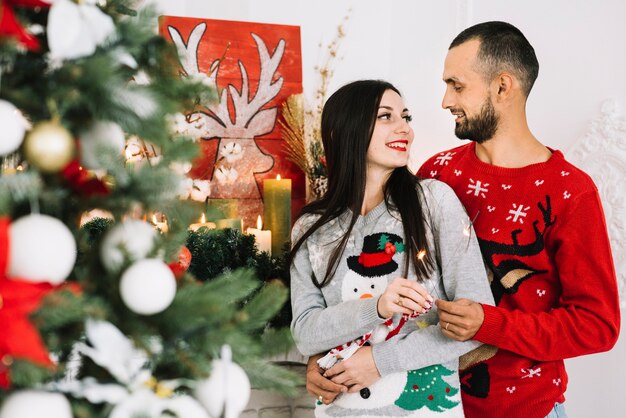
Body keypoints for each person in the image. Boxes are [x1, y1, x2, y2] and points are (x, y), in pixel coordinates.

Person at [416, 21, 620, 418]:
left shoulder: (570, 192)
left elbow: (598, 325)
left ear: (502, 86)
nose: (444, 101)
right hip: (428, 405)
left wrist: (489, 324)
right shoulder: (436, 174)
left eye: (457, 86)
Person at [289, 79, 494, 417]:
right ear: (345, 131)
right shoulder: (312, 228)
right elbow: (306, 335)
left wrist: (380, 361)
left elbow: (477, 322)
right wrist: (377, 310)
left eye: (406, 116)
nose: (405, 129)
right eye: (386, 116)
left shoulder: (434, 202)